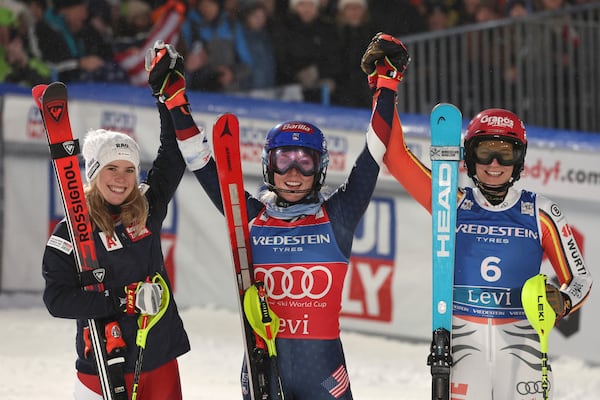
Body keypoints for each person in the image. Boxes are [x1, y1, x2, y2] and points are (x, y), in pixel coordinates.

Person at [167, 32, 410, 399]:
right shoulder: (248, 215)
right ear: (268, 166)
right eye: (284, 160)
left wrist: (386, 86)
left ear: (321, 169)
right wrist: (174, 102)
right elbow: (201, 162)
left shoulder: (338, 214)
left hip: (324, 377)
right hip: (263, 368)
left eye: (305, 162)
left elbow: (373, 153)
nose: (293, 173)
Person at [384, 107, 593, 399]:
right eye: (484, 152)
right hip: (464, 349)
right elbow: (395, 158)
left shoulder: (540, 211)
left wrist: (564, 301)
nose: (494, 163)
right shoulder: (449, 202)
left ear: (519, 159)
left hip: (524, 350)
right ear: (469, 157)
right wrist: (385, 84)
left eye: (505, 153)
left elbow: (580, 278)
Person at [41, 41, 197, 399]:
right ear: (94, 173)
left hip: (158, 358)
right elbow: (57, 299)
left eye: (129, 169)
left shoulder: (146, 206)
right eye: (111, 168)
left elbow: (172, 154)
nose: (121, 178)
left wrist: (165, 98)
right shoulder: (73, 228)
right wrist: (119, 300)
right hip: (101, 365)